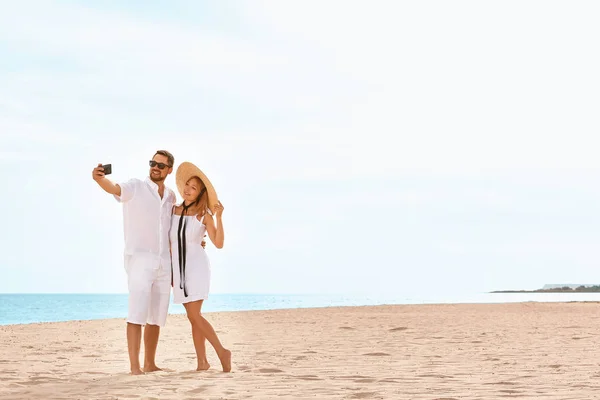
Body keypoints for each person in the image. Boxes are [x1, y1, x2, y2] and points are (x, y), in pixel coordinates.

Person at [92, 150, 176, 375]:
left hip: (164, 262)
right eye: (152, 163)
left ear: (169, 170)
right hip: (139, 258)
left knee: (156, 316)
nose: (155, 167)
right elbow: (115, 188)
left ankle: (150, 363)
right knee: (137, 313)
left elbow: (170, 231)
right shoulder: (136, 186)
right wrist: (100, 179)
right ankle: (134, 367)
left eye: (160, 165)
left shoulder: (170, 196)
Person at [170, 161, 231, 372]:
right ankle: (202, 362)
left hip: (196, 267)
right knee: (192, 318)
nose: (188, 189)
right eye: (187, 184)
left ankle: (222, 351)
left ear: (200, 193)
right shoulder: (173, 210)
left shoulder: (204, 216)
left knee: (194, 315)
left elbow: (219, 243)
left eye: (193, 187)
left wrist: (219, 217)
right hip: (179, 270)